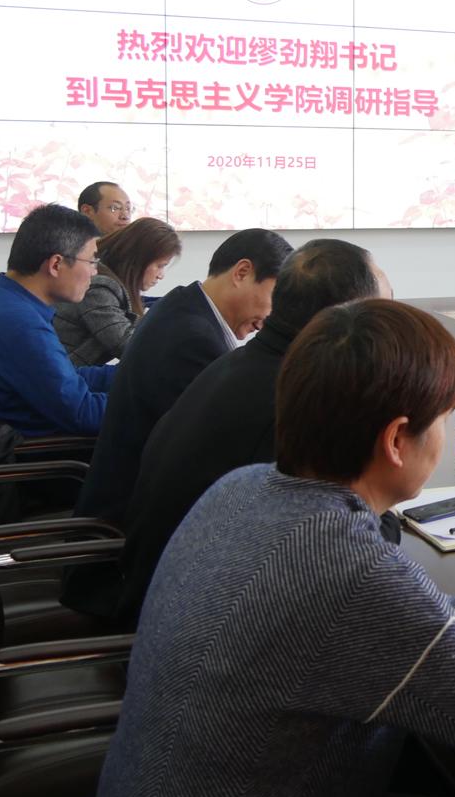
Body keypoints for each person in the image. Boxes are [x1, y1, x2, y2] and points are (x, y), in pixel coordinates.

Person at [93, 299, 455, 797]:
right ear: (396, 440)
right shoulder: (349, 570)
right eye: (444, 419)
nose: (447, 435)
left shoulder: (242, 488)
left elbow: (383, 622)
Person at [111, 239, 390, 624]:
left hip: (165, 585)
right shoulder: (293, 403)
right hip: (190, 623)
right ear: (346, 324)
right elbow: (347, 549)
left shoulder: (242, 364)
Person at [69, 227, 292, 532]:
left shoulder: (182, 307)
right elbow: (207, 467)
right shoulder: (193, 342)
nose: (270, 317)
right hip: (127, 529)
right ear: (242, 272)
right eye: (273, 298)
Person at [0, 203, 115, 436]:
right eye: (91, 261)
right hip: (45, 449)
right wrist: (152, 399)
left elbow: (67, 377)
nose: (94, 272)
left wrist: (136, 374)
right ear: (56, 264)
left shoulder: (7, 300)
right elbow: (84, 414)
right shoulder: (18, 324)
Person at [53, 217, 182, 367]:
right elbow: (131, 347)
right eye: (160, 266)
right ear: (138, 259)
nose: (161, 275)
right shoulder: (99, 288)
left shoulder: (110, 282)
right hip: (64, 375)